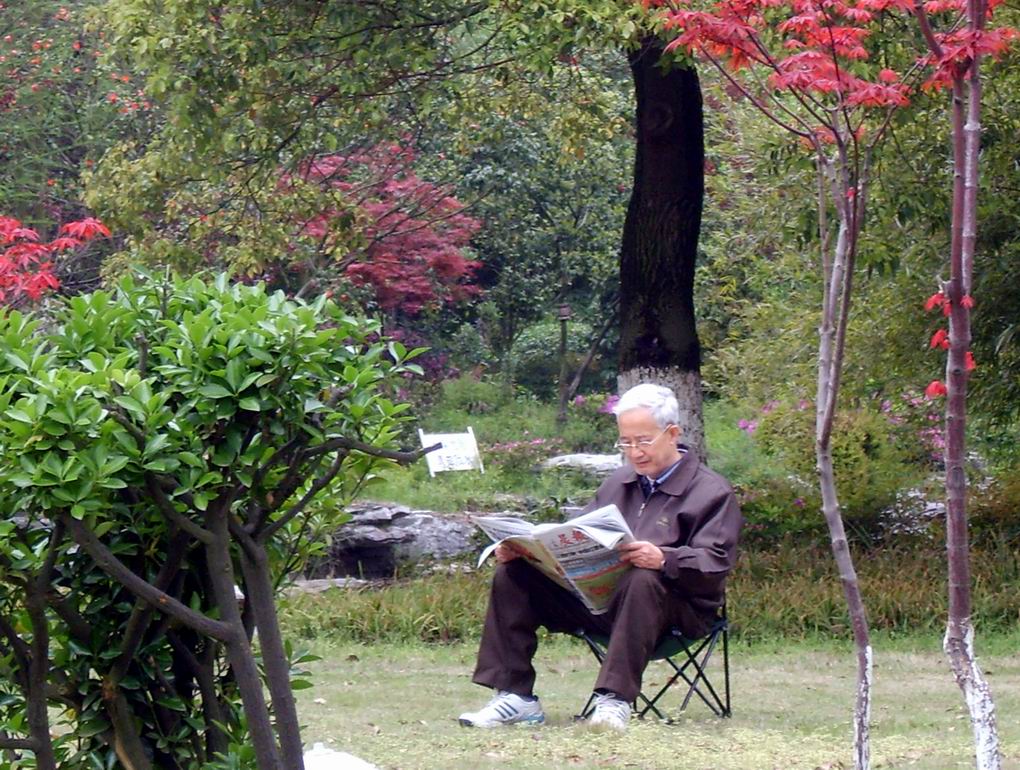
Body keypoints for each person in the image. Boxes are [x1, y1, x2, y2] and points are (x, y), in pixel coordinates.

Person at [458, 383, 743, 731]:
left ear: (672, 433)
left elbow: (716, 565)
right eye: (625, 442)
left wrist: (665, 559)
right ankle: (515, 697)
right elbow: (579, 534)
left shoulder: (711, 491)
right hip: (601, 600)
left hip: (678, 612)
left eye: (643, 441)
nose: (634, 452)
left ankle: (614, 701)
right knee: (514, 572)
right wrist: (529, 551)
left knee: (643, 576)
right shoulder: (618, 482)